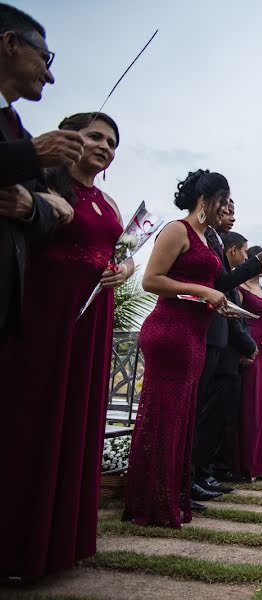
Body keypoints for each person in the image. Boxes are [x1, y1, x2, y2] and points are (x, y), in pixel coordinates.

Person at [0, 112, 125, 581]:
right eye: (95, 136)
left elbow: (114, 252)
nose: (104, 147)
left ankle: (59, 541)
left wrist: (123, 271)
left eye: (112, 143)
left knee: (78, 417)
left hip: (94, 316)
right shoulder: (41, 186)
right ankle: (16, 543)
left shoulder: (108, 200)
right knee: (32, 414)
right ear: (70, 137)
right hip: (46, 311)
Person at [123, 170, 231, 528]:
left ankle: (167, 494)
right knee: (163, 416)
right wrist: (203, 292)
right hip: (170, 330)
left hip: (195, 332)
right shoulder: (176, 230)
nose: (227, 208)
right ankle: (148, 501)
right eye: (223, 201)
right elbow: (151, 279)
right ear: (207, 198)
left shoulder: (207, 236)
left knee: (180, 418)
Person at [192, 200, 262, 498]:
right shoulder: (203, 242)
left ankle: (204, 472)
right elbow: (226, 300)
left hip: (230, 350)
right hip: (222, 347)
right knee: (209, 417)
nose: (231, 216)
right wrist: (248, 345)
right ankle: (201, 472)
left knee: (220, 417)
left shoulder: (219, 253)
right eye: (226, 210)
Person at [0, 4, 81, 342]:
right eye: (45, 60)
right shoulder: (31, 148)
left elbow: (48, 212)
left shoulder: (18, 131)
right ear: (10, 43)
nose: (50, 76)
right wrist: (31, 155)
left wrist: (34, 206)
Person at [235, 245, 262, 481]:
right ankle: (242, 463)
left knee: (260, 403)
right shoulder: (240, 287)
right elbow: (237, 317)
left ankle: (258, 461)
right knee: (246, 404)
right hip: (247, 344)